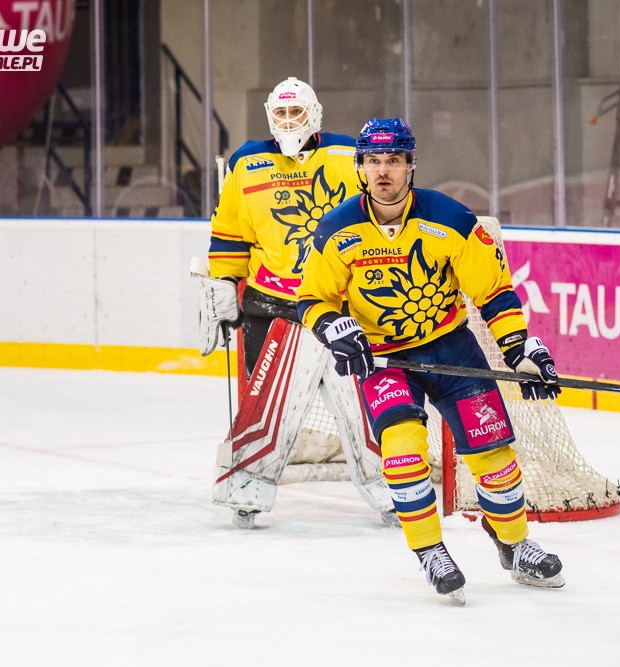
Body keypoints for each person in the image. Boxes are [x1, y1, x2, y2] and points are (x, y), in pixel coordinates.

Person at [297, 117, 565, 602]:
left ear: (411, 166)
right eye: (373, 161)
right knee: (402, 451)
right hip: (383, 358)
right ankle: (430, 551)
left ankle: (515, 544)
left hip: (450, 347)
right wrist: (334, 327)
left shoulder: (451, 219)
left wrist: (518, 348)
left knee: (493, 454)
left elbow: (493, 291)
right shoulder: (337, 229)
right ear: (360, 167)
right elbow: (312, 299)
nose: (383, 171)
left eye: (393, 160)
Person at [203, 77, 395, 529]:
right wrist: (224, 282)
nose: (289, 122)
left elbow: (381, 213)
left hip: (340, 308)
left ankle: (395, 489)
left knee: (367, 405)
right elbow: (229, 232)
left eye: (297, 113)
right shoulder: (247, 162)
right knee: (267, 408)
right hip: (274, 307)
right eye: (281, 113)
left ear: (315, 114)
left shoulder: (349, 156)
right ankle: (245, 489)